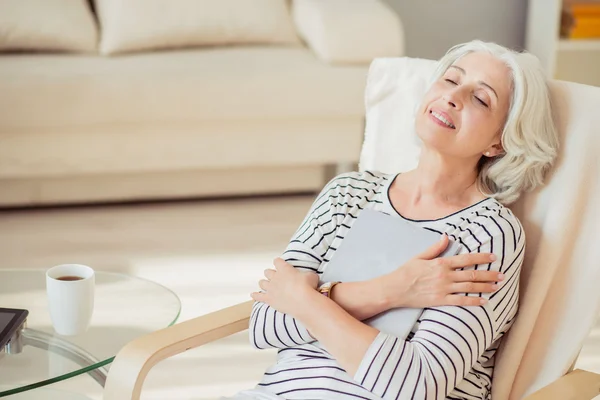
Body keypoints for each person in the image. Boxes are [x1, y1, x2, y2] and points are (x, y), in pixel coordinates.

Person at [229, 40, 559, 400]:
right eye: (450, 80)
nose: (454, 97)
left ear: (499, 142)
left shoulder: (489, 234)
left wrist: (305, 300)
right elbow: (265, 324)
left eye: (481, 99)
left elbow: (418, 385)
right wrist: (392, 290)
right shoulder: (348, 194)